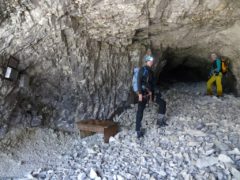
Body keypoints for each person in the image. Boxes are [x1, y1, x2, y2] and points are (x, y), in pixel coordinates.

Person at [136, 55, 154, 139]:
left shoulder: (150, 71)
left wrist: (151, 94)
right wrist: (139, 94)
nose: (151, 62)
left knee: (142, 110)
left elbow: (150, 83)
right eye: (149, 61)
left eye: (152, 61)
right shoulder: (142, 70)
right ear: (146, 62)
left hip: (147, 93)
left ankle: (139, 128)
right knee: (140, 110)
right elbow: (138, 81)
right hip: (142, 93)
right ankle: (138, 130)